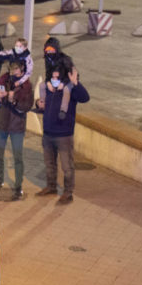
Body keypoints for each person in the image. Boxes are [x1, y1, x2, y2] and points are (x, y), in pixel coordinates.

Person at [36, 66, 90, 204]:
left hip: (64, 135)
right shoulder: (48, 89)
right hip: (48, 132)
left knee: (67, 166)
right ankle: (51, 186)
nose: (54, 80)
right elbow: (45, 108)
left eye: (56, 77)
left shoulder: (70, 90)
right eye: (52, 77)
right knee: (49, 163)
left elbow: (85, 98)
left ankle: (68, 192)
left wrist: (76, 83)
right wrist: (39, 104)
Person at [0, 59, 34, 199]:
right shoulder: (2, 81)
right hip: (1, 124)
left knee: (18, 157)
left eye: (16, 69)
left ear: (22, 70)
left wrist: (14, 101)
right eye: (11, 69)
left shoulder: (26, 86)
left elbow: (27, 106)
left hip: (16, 127)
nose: (13, 72)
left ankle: (18, 185)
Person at [40, 36, 74, 118]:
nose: (49, 52)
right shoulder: (47, 59)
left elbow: (72, 75)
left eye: (52, 49)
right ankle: (43, 105)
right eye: (47, 50)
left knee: (66, 90)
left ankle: (63, 110)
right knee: (42, 86)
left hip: (67, 80)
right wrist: (48, 82)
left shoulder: (65, 59)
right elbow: (48, 73)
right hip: (54, 80)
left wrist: (63, 83)